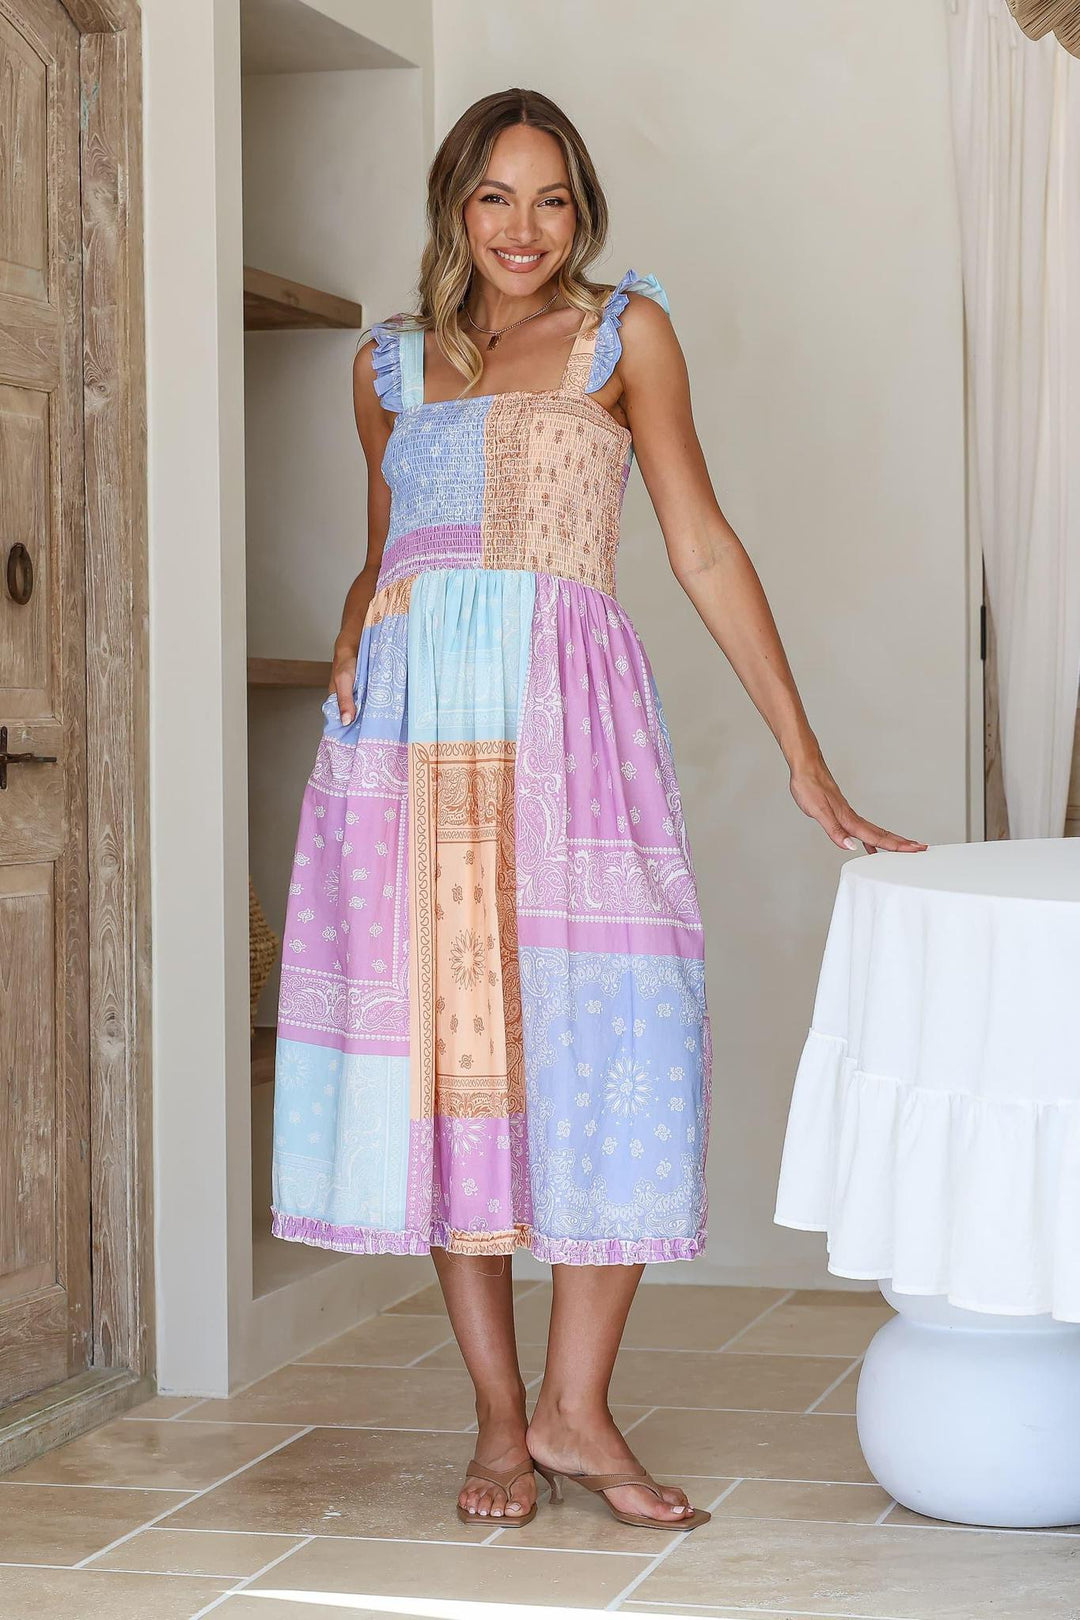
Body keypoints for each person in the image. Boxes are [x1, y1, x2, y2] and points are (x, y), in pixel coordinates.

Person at [270, 86, 927, 1535]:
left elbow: (701, 544)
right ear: (454, 206)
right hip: (415, 750)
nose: (524, 228)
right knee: (459, 1066)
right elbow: (385, 552)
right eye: (495, 197)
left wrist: (805, 756)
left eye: (552, 198)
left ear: (583, 212)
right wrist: (351, 627)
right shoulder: (387, 367)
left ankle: (579, 1406)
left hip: (572, 728)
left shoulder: (626, 335)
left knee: (617, 1029)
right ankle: (502, 1421)